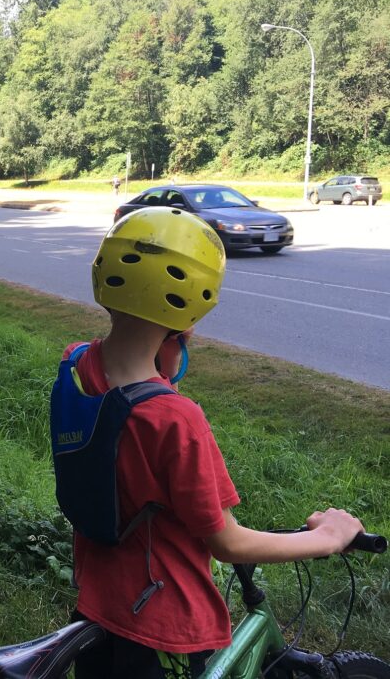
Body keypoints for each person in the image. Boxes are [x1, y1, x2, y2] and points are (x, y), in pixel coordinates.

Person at [53, 207, 364, 679]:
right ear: (190, 322)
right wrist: (326, 537)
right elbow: (227, 542)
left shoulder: (76, 366)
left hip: (97, 605)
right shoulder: (175, 419)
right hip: (160, 624)